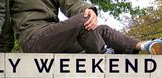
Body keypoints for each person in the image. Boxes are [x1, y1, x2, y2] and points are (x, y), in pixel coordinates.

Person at [10, 0, 162, 55]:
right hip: (33, 39)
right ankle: (103, 55)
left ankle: (144, 45)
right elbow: (1, 17)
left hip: (53, 38)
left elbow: (72, 3)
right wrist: (2, 51)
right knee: (83, 21)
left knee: (101, 29)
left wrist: (89, 9)